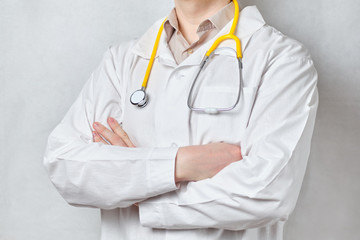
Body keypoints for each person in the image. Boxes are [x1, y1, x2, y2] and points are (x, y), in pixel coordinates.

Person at [43, 0, 319, 239]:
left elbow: (268, 192)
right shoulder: (122, 60)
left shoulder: (282, 59)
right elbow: (66, 165)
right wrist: (181, 165)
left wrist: (131, 186)